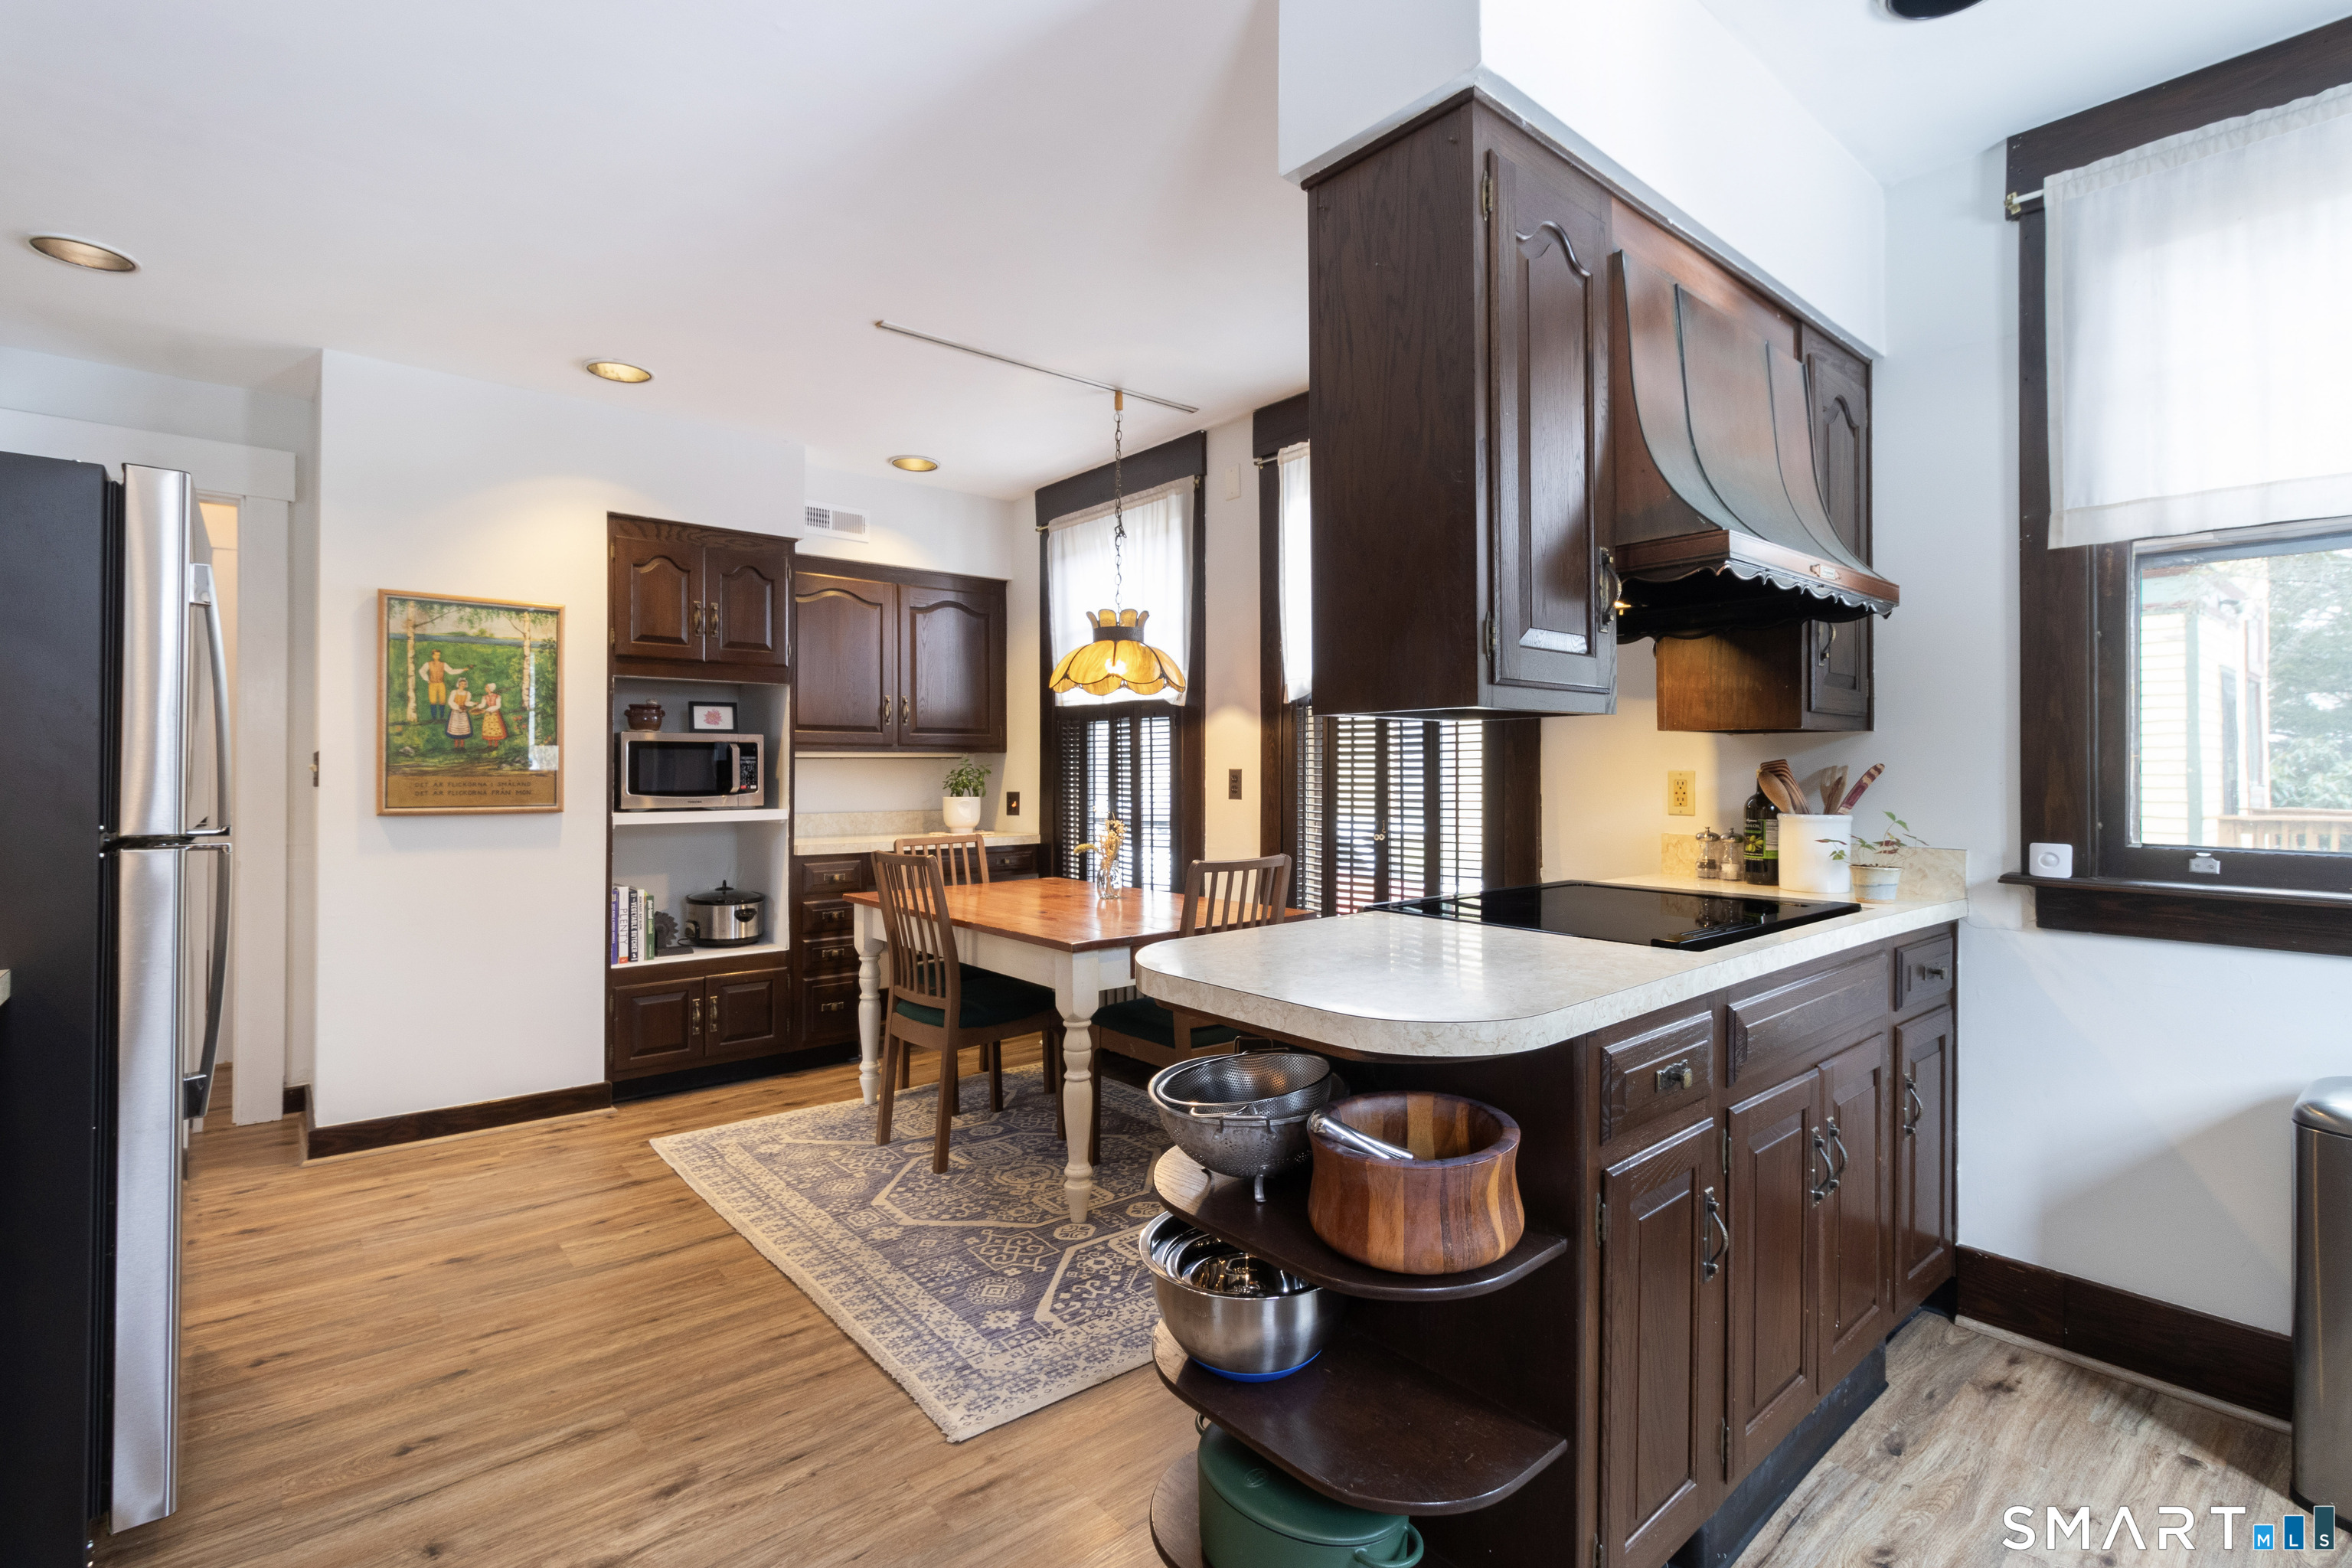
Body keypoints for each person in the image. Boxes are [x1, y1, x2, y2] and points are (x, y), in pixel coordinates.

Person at [418, 650, 466, 723]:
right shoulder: (428, 664)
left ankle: (441, 718)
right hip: (432, 684)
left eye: (439, 655)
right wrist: (428, 679)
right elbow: (421, 671)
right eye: (436, 655)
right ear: (433, 656)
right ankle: (434, 718)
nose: (438, 656)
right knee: (433, 701)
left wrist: (462, 670)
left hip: (441, 684)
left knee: (442, 701)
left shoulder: (443, 664)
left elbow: (451, 671)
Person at [445, 678, 475, 749]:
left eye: (464, 684)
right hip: (455, 713)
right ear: (458, 684)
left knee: (462, 730)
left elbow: (467, 702)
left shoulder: (467, 693)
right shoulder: (454, 692)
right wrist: (458, 708)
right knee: (455, 730)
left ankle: (462, 747)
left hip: (463, 714)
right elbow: (450, 702)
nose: (463, 685)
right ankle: (456, 747)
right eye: (462, 684)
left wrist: (473, 703)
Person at [478, 682, 507, 752]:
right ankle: (489, 745)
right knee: (488, 729)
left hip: (495, 714)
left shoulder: (497, 697)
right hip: (488, 715)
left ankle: (496, 745)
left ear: (490, 688)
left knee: (495, 729)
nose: (485, 689)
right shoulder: (485, 697)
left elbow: (498, 706)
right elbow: (482, 705)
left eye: (487, 687)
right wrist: (477, 707)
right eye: (486, 687)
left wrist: (487, 710)